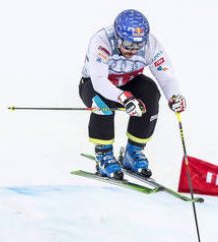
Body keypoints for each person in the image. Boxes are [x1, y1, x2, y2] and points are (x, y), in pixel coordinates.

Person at [79, 9, 186, 180]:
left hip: (128, 82)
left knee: (150, 91)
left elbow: (166, 76)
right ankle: (103, 154)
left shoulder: (151, 44)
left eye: (138, 46)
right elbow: (99, 81)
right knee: (101, 103)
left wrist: (174, 96)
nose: (133, 51)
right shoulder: (102, 41)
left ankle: (133, 152)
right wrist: (124, 98)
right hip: (94, 85)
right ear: (117, 37)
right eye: (128, 45)